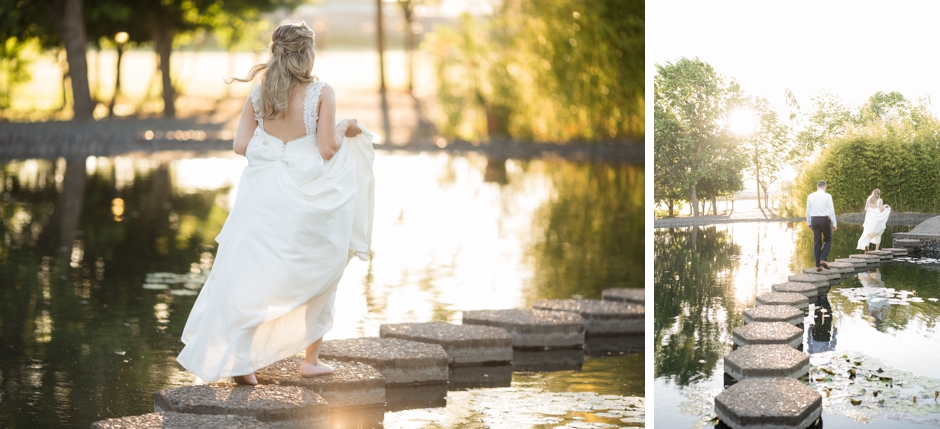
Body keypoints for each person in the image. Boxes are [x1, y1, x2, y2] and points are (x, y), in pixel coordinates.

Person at [176, 22, 375, 385]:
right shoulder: (322, 93)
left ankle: (241, 358)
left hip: (264, 196)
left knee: (254, 275)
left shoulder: (259, 94)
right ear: (307, 53)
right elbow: (327, 149)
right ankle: (310, 361)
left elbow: (240, 145)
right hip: (308, 195)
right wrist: (345, 126)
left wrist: (275, 148)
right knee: (320, 268)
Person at [806, 180, 837, 271]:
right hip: (824, 219)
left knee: (817, 242)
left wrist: (809, 222)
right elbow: (831, 211)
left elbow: (808, 211)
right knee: (828, 239)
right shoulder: (828, 196)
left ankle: (818, 266)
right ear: (825, 187)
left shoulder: (810, 196)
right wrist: (834, 223)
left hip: (814, 219)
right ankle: (823, 259)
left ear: (817, 186)